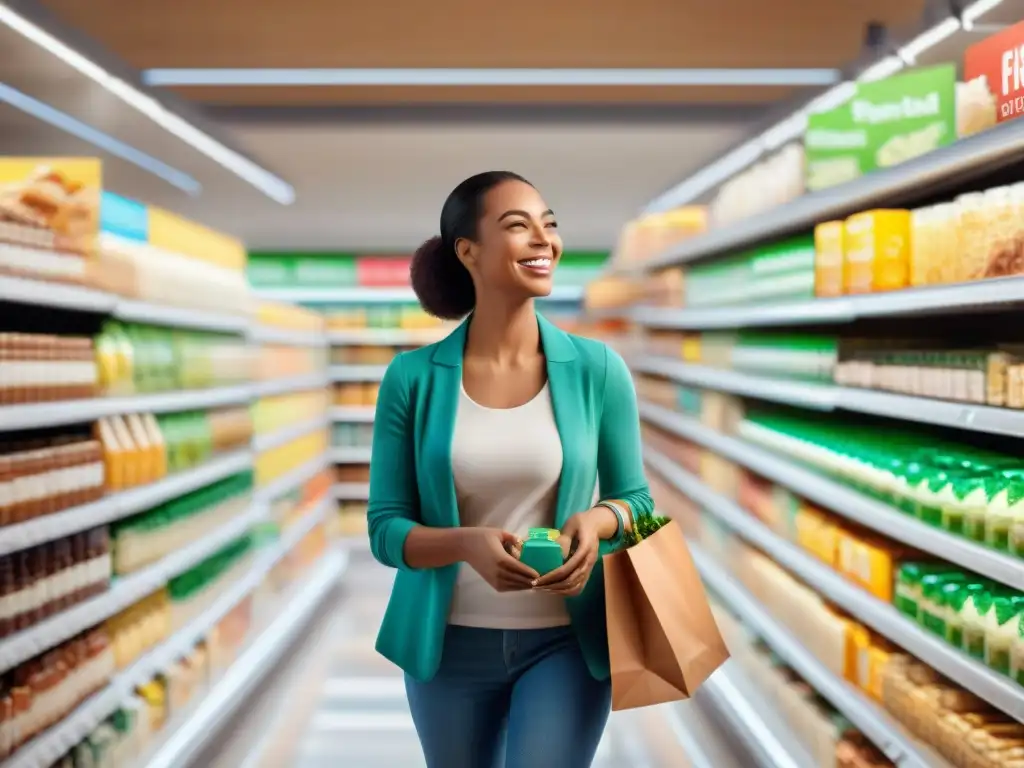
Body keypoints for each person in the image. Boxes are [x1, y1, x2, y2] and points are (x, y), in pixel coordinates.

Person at [366, 170, 654, 768]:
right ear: (467, 252)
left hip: (566, 643)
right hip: (446, 647)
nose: (542, 240)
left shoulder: (598, 369)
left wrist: (599, 522)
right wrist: (464, 545)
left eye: (549, 225)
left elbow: (637, 502)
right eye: (517, 226)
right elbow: (385, 529)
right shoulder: (412, 379)